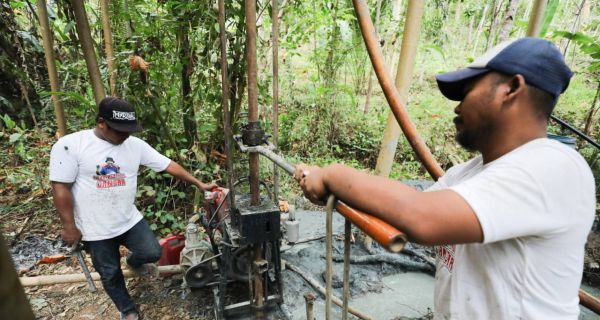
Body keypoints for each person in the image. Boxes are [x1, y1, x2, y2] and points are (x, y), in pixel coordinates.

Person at [294, 37, 596, 319]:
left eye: (467, 91)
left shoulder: (553, 167)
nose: (457, 106)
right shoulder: (468, 173)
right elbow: (404, 214)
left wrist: (333, 175)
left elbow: (422, 218)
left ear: (511, 88)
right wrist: (324, 184)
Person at [49, 97, 218, 320]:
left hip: (127, 219)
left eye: (129, 130)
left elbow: (168, 165)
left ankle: (133, 262)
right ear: (101, 122)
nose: (125, 135)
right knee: (109, 273)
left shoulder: (134, 145)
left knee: (152, 252)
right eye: (120, 130)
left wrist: (198, 183)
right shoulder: (72, 145)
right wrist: (69, 226)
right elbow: (60, 187)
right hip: (94, 227)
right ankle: (127, 309)